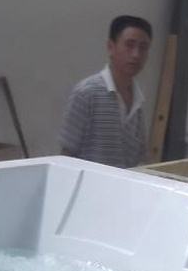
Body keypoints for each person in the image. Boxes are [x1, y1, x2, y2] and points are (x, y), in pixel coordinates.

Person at [60, 15, 152, 168]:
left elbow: (141, 156)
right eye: (129, 45)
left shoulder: (138, 101)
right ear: (111, 47)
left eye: (143, 48)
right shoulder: (86, 93)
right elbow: (66, 155)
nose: (136, 54)